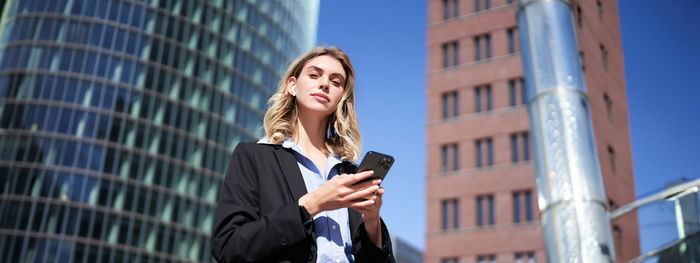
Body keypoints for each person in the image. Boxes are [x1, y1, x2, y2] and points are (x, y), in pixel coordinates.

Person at [211, 46, 395, 263]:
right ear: (292, 86)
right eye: (314, 75)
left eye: (336, 82)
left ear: (340, 98)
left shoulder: (350, 174)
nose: (325, 84)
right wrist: (312, 204)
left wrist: (372, 221)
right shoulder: (254, 157)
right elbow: (229, 246)